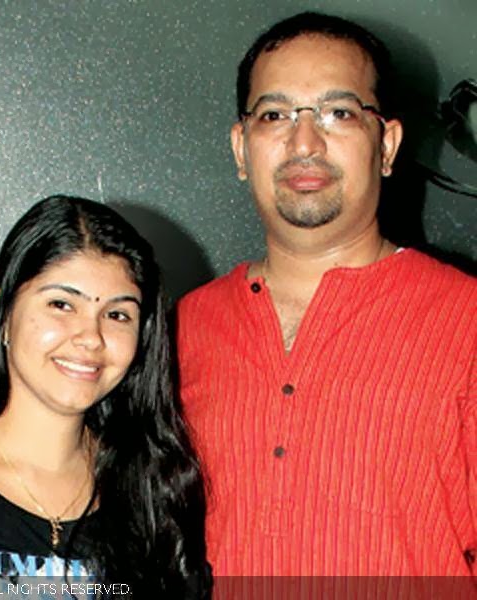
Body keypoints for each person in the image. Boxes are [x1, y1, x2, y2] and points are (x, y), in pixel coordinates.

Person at [176, 11, 476, 584]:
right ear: (242, 149)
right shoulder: (180, 329)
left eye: (339, 113)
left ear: (386, 145)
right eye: (275, 115)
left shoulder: (467, 322)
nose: (304, 141)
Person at [0, 195, 209, 598]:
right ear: (0, 312)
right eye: (61, 304)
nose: (91, 337)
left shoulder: (152, 485)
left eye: (118, 314)